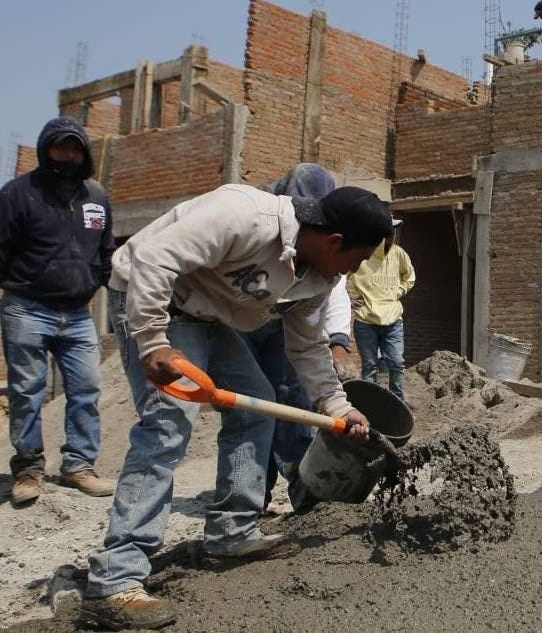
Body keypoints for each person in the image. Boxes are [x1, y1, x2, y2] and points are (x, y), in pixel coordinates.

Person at [81, 183, 392, 630]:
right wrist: (151, 341)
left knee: (257, 406)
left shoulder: (321, 276)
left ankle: (231, 531)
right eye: (357, 259)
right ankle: (115, 578)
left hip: (210, 316)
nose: (355, 270)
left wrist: (339, 407)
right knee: (168, 423)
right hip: (155, 300)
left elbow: (306, 346)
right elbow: (153, 257)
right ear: (334, 241)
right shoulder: (245, 215)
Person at [0, 117, 116, 505]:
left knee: (86, 388)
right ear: (45, 149)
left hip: (78, 314)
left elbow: (106, 253)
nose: (67, 154)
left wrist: (100, 279)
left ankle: (78, 465)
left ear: (83, 152)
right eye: (60, 147)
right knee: (26, 391)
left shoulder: (96, 198)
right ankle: (30, 470)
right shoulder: (18, 194)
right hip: (27, 309)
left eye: (74, 148)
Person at [239, 163, 356, 514]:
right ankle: (250, 497)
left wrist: (337, 341)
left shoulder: (327, 241)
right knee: (251, 406)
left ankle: (304, 488)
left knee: (293, 403)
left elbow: (331, 290)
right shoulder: (258, 220)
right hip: (238, 320)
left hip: (284, 323)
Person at [348, 218, 415, 402]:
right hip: (366, 320)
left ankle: (397, 405)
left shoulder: (398, 253)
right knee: (370, 366)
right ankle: (371, 406)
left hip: (393, 319)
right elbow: (338, 278)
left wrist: (398, 291)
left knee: (396, 363)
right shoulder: (362, 253)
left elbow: (409, 276)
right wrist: (349, 301)